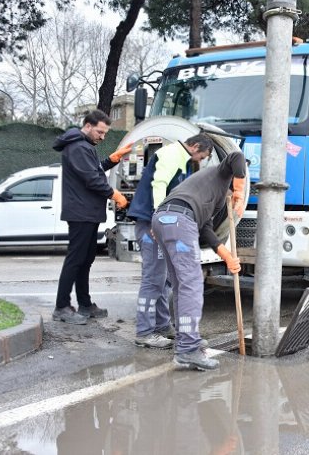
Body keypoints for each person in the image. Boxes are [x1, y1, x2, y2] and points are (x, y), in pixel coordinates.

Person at [152, 151, 247, 370]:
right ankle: (188, 348)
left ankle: (185, 338)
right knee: (192, 285)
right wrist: (240, 194)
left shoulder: (209, 193)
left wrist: (227, 257)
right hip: (179, 221)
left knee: (181, 285)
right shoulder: (221, 173)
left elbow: (205, 229)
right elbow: (236, 157)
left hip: (163, 219)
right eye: (239, 180)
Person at [130, 134, 214, 349]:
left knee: (164, 278)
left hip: (157, 222)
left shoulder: (182, 159)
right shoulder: (171, 154)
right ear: (195, 146)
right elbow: (159, 184)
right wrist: (158, 218)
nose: (201, 160)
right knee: (153, 279)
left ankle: (162, 325)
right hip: (152, 223)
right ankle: (145, 332)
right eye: (202, 156)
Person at [52, 109, 131, 325]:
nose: (102, 137)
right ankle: (61, 307)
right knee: (75, 260)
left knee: (85, 260)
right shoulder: (77, 147)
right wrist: (115, 194)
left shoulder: (84, 146)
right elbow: (92, 180)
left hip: (87, 212)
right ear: (87, 126)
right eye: (100, 132)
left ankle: (85, 304)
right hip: (81, 213)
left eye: (105, 133)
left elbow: (94, 170)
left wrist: (111, 160)